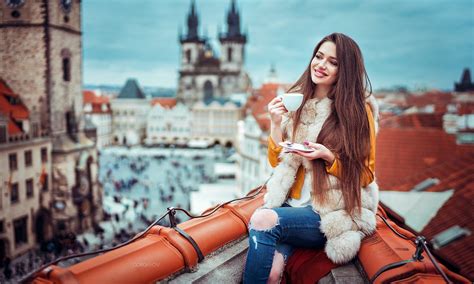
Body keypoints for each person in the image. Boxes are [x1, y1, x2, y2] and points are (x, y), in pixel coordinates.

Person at [243, 33, 380, 283]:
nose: (321, 65)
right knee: (272, 276)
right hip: (290, 207)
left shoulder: (358, 111)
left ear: (345, 70)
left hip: (327, 214)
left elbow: (366, 174)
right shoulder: (299, 101)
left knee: (262, 219)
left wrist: (328, 157)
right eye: (319, 56)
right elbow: (277, 161)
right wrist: (275, 123)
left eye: (333, 62)